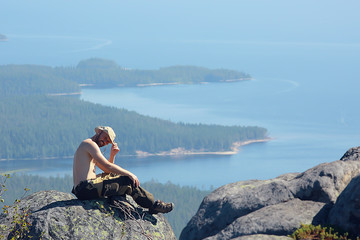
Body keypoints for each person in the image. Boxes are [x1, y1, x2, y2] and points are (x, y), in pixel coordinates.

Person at [72, 126, 174, 214]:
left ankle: (118, 198)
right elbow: (107, 166)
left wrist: (112, 155)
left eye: (108, 141)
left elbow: (107, 171)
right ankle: (152, 205)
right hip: (86, 188)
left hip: (84, 189)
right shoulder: (90, 144)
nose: (105, 141)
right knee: (127, 181)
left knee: (114, 176)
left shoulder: (89, 146)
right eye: (105, 137)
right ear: (99, 132)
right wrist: (129, 174)